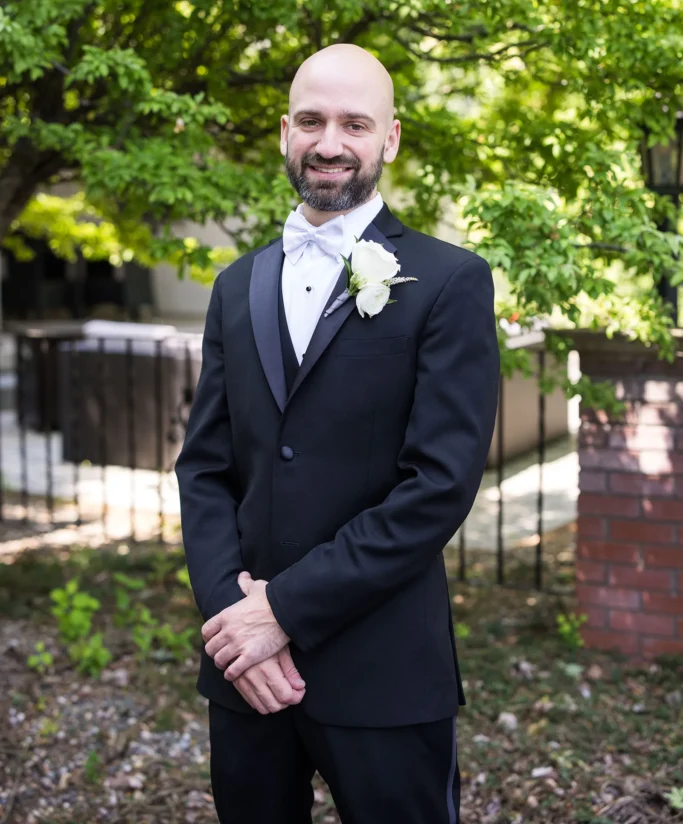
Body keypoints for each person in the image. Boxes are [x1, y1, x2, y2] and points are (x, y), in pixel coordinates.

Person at [175, 43, 500, 824]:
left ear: (388, 139)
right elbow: (205, 470)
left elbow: (438, 486)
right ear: (285, 132)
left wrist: (281, 610)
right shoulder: (235, 285)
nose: (329, 142)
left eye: (354, 123)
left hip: (383, 668)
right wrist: (234, 620)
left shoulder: (449, 282)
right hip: (246, 672)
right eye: (312, 121)